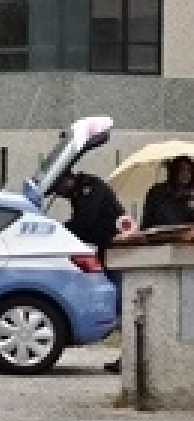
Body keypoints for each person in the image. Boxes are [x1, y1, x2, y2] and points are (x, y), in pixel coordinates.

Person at [55, 170, 124, 374]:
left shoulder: (90, 189)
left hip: (116, 249)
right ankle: (127, 357)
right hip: (108, 248)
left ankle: (129, 358)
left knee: (121, 302)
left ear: (67, 180)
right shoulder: (81, 191)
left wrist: (58, 230)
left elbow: (84, 224)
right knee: (118, 300)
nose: (59, 195)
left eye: (58, 189)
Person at [140, 155, 194, 231]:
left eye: (189, 170)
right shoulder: (157, 192)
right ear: (174, 171)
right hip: (159, 238)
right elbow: (146, 222)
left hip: (185, 240)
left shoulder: (191, 195)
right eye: (182, 169)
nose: (185, 174)